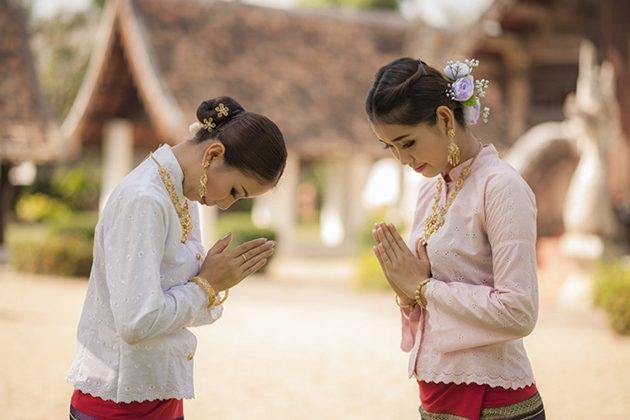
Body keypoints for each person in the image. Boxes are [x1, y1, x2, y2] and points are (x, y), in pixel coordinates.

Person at [66, 96, 287, 420]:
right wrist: (205, 285)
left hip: (162, 394)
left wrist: (212, 282)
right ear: (213, 154)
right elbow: (136, 322)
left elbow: (179, 312)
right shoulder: (144, 199)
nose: (226, 204)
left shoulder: (180, 195)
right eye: (236, 191)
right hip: (116, 406)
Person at [365, 58, 545, 420]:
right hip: (436, 398)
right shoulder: (429, 190)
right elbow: (428, 300)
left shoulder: (501, 187)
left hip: (494, 403)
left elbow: (520, 311)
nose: (402, 159)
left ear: (446, 119)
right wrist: (407, 292)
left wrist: (423, 289)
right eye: (390, 148)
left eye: (407, 142)